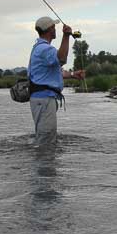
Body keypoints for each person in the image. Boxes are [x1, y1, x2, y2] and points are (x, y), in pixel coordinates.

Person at [28, 16, 79, 145]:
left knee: (45, 137)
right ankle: (45, 164)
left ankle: (44, 162)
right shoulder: (45, 49)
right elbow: (61, 58)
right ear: (50, 29)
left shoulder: (39, 48)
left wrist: (73, 74)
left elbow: (54, 72)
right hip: (44, 100)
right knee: (46, 140)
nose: (55, 29)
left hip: (42, 99)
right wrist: (66, 36)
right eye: (54, 27)